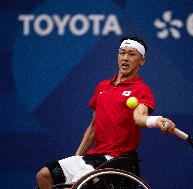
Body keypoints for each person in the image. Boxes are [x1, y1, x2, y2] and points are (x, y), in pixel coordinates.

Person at [36, 36, 176, 189]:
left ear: (142, 60)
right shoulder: (102, 87)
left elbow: (139, 117)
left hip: (117, 160)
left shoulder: (141, 90)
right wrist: (77, 157)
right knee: (44, 175)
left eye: (131, 54)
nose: (125, 58)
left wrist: (156, 121)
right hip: (93, 158)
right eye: (122, 53)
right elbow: (93, 128)